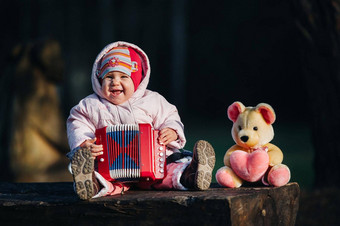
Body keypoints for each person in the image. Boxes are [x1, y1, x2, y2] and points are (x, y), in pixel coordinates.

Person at [66, 41, 215, 200]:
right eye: (109, 76)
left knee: (170, 171)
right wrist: (83, 142)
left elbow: (170, 116)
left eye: (124, 76)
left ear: (136, 81)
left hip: (154, 166)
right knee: (104, 179)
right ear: (99, 80)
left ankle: (191, 174)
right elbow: (77, 123)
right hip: (110, 169)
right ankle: (91, 182)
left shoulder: (152, 100)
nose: (115, 82)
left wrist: (172, 131)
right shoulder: (90, 105)